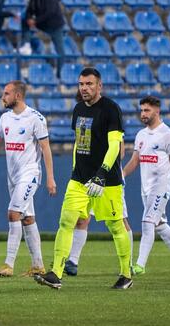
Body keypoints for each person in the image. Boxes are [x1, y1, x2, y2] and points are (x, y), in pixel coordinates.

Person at [34, 67, 132, 290]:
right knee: (66, 222)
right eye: (81, 84)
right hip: (79, 180)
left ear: (99, 86)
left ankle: (126, 274)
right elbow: (79, 142)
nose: (84, 88)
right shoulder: (78, 109)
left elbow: (115, 146)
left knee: (116, 226)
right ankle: (56, 273)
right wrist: (75, 170)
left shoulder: (111, 109)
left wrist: (101, 174)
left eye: (89, 84)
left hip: (106, 181)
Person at [0, 81, 56, 277]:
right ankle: (38, 266)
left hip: (30, 174)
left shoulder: (35, 118)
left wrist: (50, 178)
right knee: (28, 219)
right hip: (13, 177)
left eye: (6, 93)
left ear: (18, 95)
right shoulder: (5, 118)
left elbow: (46, 148)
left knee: (13, 213)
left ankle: (9, 264)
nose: (3, 97)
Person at [122, 96, 170, 275]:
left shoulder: (168, 134)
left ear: (157, 111)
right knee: (159, 224)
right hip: (145, 187)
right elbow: (135, 160)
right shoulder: (141, 134)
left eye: (147, 110)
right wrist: (121, 174)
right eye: (141, 110)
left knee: (147, 222)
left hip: (161, 186)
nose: (143, 114)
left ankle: (139, 266)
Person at [18, 0, 65, 66]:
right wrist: (29, 19)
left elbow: (50, 12)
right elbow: (29, 10)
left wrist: (35, 20)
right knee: (24, 20)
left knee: (59, 49)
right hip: (41, 22)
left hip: (54, 25)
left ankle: (61, 70)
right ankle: (26, 45)